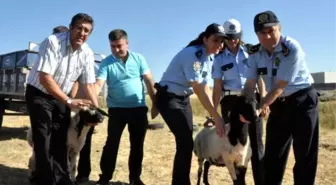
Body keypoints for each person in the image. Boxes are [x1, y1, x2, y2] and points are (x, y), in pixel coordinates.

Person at [243, 10, 319, 185]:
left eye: (272, 30)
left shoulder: (291, 49)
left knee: (305, 157)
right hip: (278, 106)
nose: (268, 36)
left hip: (303, 102)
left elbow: (279, 87)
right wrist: (245, 106)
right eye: (263, 32)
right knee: (272, 158)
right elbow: (249, 84)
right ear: (256, 34)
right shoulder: (254, 53)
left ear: (280, 28)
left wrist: (259, 107)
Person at [25, 13, 99, 185]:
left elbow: (88, 84)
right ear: (71, 27)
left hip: (61, 95)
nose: (82, 33)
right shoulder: (52, 42)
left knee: (60, 138)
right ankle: (43, 179)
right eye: (79, 28)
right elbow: (45, 78)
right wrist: (68, 101)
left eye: (87, 30)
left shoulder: (87, 53)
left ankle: (62, 179)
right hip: (39, 92)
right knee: (43, 135)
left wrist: (95, 110)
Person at [154, 23, 227, 185]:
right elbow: (199, 88)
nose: (219, 45)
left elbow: (206, 87)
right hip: (169, 98)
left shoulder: (208, 57)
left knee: (187, 143)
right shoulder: (192, 54)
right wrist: (217, 116)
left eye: (222, 42)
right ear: (205, 39)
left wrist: (212, 113)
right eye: (215, 40)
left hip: (183, 99)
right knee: (185, 141)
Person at [94, 29, 157, 185]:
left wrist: (156, 103)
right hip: (116, 110)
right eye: (112, 46)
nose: (116, 50)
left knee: (137, 145)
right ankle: (105, 177)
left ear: (127, 43)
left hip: (138, 109)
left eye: (119, 46)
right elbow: (99, 84)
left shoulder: (139, 59)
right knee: (111, 144)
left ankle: (135, 178)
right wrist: (92, 98)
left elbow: (149, 81)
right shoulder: (106, 62)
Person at [212, 18, 265, 185]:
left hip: (251, 100)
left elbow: (260, 78)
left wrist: (263, 102)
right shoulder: (219, 58)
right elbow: (217, 86)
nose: (232, 40)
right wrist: (214, 113)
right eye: (228, 37)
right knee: (232, 146)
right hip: (230, 102)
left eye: (235, 36)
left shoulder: (251, 52)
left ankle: (261, 181)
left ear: (240, 35)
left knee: (256, 143)